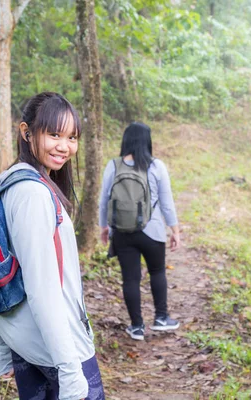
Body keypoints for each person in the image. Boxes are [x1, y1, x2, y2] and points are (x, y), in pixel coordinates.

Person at [0, 92, 105, 400]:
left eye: (72, 137)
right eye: (54, 134)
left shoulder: (9, 184)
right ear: (26, 132)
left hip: (25, 342)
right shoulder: (34, 196)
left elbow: (1, 271)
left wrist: (2, 348)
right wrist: (70, 370)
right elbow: (43, 289)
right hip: (55, 349)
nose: (65, 147)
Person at [99, 122, 181, 341]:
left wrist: (104, 227)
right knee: (157, 272)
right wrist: (174, 229)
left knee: (130, 279)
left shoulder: (113, 165)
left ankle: (136, 326)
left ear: (125, 140)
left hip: (123, 232)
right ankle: (161, 318)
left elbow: (104, 200)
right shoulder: (156, 166)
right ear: (148, 141)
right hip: (152, 231)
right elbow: (167, 203)